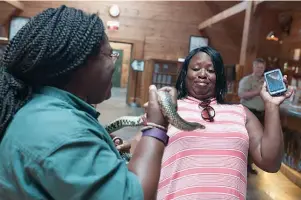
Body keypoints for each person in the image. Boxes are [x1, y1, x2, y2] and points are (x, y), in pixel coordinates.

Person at [0, 5, 177, 200]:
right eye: (110, 55)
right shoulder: (64, 132)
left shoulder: (40, 109)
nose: (113, 64)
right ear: (81, 63)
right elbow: (134, 196)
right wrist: (156, 127)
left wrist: (101, 150)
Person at [136, 47, 292, 199]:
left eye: (211, 71)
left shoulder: (241, 113)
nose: (203, 74)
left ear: (220, 77)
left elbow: (270, 162)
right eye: (196, 69)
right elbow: (139, 162)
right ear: (185, 74)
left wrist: (271, 105)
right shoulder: (167, 109)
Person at [238, 58, 266, 175]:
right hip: (249, 113)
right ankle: (240, 166)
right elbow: (241, 94)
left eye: (262, 67)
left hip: (261, 114)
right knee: (245, 141)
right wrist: (258, 91)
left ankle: (249, 166)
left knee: (256, 142)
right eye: (258, 67)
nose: (260, 69)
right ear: (253, 67)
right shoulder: (247, 80)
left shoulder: (266, 81)